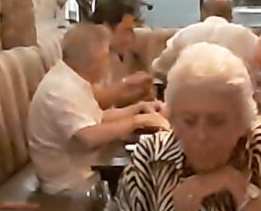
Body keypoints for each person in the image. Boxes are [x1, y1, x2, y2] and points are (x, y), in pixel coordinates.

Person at [107, 42, 261, 211]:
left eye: (217, 122)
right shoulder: (152, 155)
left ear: (242, 122)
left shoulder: (259, 145)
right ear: (172, 119)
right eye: (189, 121)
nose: (201, 135)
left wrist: (234, 183)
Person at [26, 20, 167, 192]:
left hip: (86, 171)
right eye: (105, 57)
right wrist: (137, 121)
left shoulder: (71, 77)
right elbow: (89, 137)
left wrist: (139, 109)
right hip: (70, 184)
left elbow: (97, 117)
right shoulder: (62, 89)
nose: (108, 63)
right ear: (92, 61)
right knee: (155, 182)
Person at [152, 0, 258, 80]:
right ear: (230, 16)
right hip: (234, 93)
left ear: (203, 14)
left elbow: (159, 67)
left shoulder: (185, 34)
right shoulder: (244, 35)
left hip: (191, 94)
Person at [88, 0, 154, 107]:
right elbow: (94, 103)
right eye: (126, 31)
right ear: (106, 28)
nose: (130, 38)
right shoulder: (86, 59)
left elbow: (111, 102)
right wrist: (127, 83)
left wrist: (139, 96)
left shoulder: (119, 56)